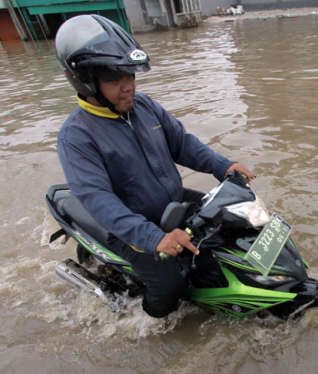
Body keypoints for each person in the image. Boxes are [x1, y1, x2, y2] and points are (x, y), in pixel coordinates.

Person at [54, 14, 254, 318]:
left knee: (237, 220)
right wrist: (153, 238)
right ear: (84, 80)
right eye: (114, 79)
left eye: (130, 76)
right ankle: (136, 317)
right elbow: (99, 200)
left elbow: (182, 144)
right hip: (131, 228)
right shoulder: (76, 136)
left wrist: (224, 166)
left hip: (171, 204)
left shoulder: (143, 106)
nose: (128, 87)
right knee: (170, 286)